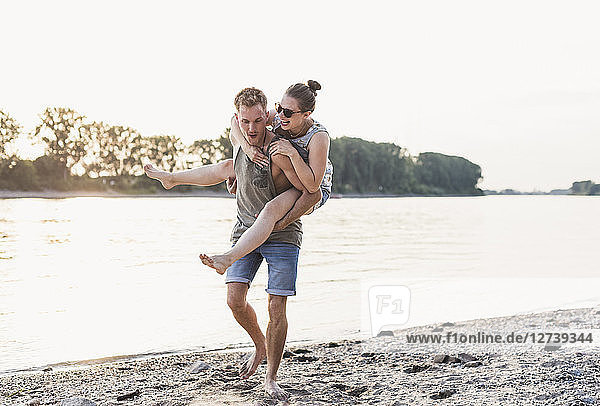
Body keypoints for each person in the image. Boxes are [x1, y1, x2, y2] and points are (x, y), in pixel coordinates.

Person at [144, 87, 308, 400]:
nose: (252, 128)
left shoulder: (279, 147)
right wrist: (243, 149)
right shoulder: (240, 139)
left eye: (258, 121)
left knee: (276, 304)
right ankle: (260, 344)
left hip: (283, 233)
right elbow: (226, 154)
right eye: (245, 122)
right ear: (238, 119)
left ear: (267, 116)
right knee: (234, 300)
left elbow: (305, 188)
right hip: (245, 228)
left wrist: (309, 190)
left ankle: (271, 377)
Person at [199, 80, 333, 273]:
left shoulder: (318, 136)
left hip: (313, 185)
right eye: (279, 107)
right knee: (228, 167)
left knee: (270, 210)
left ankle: (228, 258)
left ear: (306, 115)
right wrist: (248, 150)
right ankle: (172, 179)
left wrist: (293, 153)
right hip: (289, 175)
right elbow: (236, 120)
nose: (280, 115)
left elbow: (312, 187)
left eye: (287, 112)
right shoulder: (279, 117)